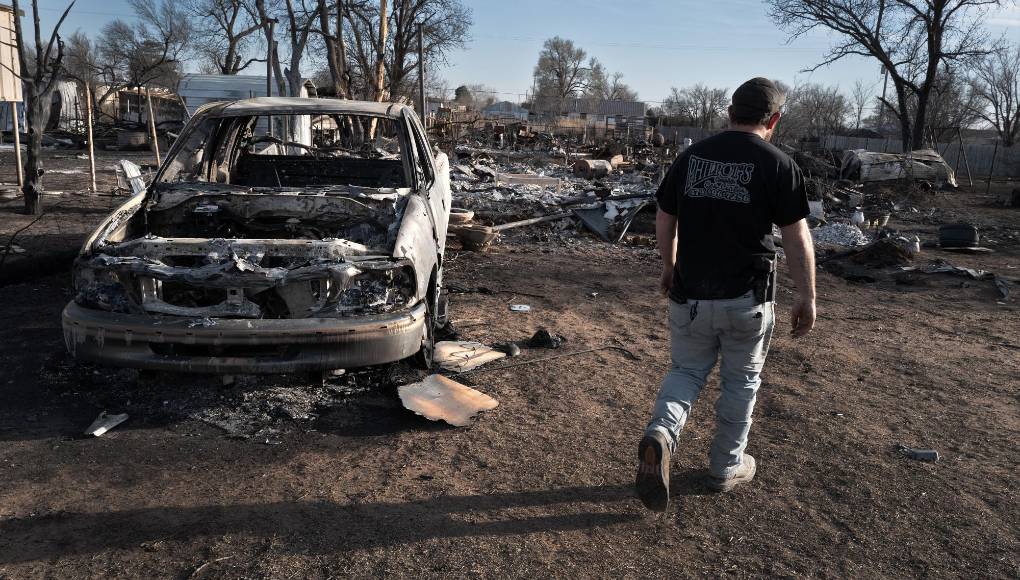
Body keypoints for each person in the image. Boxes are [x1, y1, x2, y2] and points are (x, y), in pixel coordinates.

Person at [635, 77, 817, 512]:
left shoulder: (692, 156)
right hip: (746, 298)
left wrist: (668, 265)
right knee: (741, 381)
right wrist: (807, 295)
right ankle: (725, 467)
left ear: (729, 113)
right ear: (773, 119)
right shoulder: (778, 163)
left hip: (690, 295)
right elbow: (795, 236)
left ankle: (662, 433)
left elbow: (664, 214)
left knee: (686, 373)